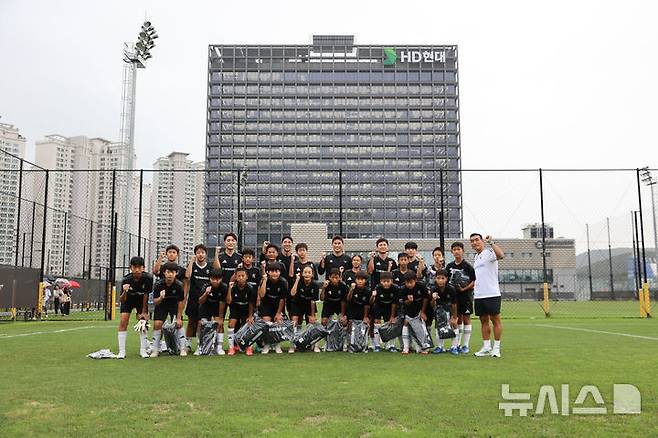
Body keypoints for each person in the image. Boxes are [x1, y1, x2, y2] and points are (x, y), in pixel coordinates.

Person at [469, 233, 504, 358]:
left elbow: (501, 255)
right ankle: (486, 347)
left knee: (495, 320)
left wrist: (491, 242)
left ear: (482, 241)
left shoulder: (489, 253)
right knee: (483, 321)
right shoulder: (476, 257)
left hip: (492, 293)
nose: (474, 242)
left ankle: (496, 348)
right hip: (479, 295)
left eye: (477, 240)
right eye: (472, 241)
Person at [117, 256, 154, 359]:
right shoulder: (126, 279)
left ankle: (143, 351)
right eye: (134, 267)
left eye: (139, 267)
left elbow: (146, 295)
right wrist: (125, 291)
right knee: (123, 321)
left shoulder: (148, 278)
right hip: (128, 300)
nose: (137, 270)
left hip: (141, 300)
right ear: (130, 268)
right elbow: (122, 300)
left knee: (143, 322)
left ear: (143, 268)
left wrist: (144, 312)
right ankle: (122, 351)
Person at [150, 262, 186, 358]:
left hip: (174, 305)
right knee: (157, 324)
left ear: (176, 273)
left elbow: (181, 301)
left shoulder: (179, 285)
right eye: (168, 272)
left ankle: (183, 348)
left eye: (172, 272)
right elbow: (155, 302)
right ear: (164, 273)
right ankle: (155, 349)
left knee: (179, 323)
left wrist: (178, 317)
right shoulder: (158, 284)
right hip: (162, 305)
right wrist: (161, 297)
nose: (170, 274)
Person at [445, 241, 475, 354]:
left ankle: (465, 345)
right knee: (456, 320)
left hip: (466, 296)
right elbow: (445, 280)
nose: (457, 251)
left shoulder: (468, 267)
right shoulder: (449, 266)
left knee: (466, 319)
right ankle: (456, 344)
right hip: (453, 297)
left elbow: (474, 281)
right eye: (454, 249)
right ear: (452, 251)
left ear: (463, 251)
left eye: (459, 249)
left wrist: (465, 288)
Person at [184, 244, 211, 354]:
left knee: (202, 322)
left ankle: (201, 344)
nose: (200, 254)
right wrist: (191, 262)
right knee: (191, 321)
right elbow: (187, 275)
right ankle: (188, 344)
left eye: (202, 252)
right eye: (198, 252)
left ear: (205, 254)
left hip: (205, 299)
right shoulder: (193, 266)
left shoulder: (209, 267)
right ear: (195, 254)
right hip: (193, 298)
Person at [258, 262, 288, 354]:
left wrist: (278, 313)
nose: (274, 273)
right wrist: (264, 281)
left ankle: (277, 345)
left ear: (280, 272)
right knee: (266, 322)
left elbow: (282, 299)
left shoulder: (283, 282)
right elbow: (262, 295)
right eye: (272, 271)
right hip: (266, 305)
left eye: (276, 271)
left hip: (278, 306)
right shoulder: (264, 280)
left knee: (278, 322)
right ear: (268, 272)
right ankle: (267, 344)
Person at [226, 267, 257, 356]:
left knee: (248, 324)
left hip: (246, 309)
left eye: (243, 276)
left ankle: (248, 347)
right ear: (235, 277)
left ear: (246, 277)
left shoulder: (250, 288)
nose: (240, 278)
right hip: (235, 308)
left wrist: (250, 316)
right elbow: (228, 301)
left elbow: (251, 303)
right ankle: (231, 347)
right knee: (231, 324)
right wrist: (229, 289)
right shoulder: (233, 287)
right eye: (238, 276)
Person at [288, 266, 320, 353]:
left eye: (309, 272)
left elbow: (313, 301)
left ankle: (315, 344)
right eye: (305, 272)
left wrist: (313, 315)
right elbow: (292, 293)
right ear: (302, 274)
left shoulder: (315, 285)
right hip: (297, 303)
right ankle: (293, 345)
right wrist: (297, 280)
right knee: (294, 322)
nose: (307, 274)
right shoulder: (298, 281)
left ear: (312, 274)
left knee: (313, 322)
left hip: (309, 305)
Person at [397, 272, 430, 355]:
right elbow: (403, 303)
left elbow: (426, 299)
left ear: (415, 280)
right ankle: (406, 348)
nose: (409, 284)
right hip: (409, 310)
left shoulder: (421, 286)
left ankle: (424, 346)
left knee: (421, 324)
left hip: (421, 309)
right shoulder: (403, 289)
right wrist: (409, 301)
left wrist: (422, 312)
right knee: (406, 323)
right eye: (407, 282)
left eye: (411, 282)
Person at [198, 268, 228, 355]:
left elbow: (222, 302)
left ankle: (219, 347)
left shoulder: (224, 287)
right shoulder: (205, 286)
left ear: (221, 279)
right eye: (213, 279)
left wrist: (220, 317)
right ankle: (200, 346)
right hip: (206, 307)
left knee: (220, 324)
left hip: (217, 308)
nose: (215, 281)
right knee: (201, 323)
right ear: (209, 278)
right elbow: (200, 301)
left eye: (217, 279)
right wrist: (205, 294)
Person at [370, 271, 400, 352]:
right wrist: (373, 296)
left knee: (391, 324)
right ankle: (377, 345)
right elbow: (372, 302)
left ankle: (391, 345)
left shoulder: (395, 288)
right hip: (379, 306)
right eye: (384, 281)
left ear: (392, 281)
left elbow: (394, 303)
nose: (386, 283)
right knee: (377, 323)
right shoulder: (377, 288)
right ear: (380, 281)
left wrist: (392, 316)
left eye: (388, 281)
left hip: (390, 307)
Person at [429, 269, 458, 354]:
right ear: (435, 279)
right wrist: (433, 299)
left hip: (449, 309)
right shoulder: (434, 289)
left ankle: (454, 347)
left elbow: (454, 304)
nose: (440, 280)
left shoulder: (451, 288)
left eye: (442, 278)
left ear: (446, 279)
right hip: (439, 310)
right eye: (438, 278)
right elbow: (432, 305)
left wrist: (454, 317)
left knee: (454, 326)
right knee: (438, 327)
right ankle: (440, 346)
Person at [320, 268, 348, 349]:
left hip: (339, 305)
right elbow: (322, 298)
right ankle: (326, 342)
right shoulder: (327, 285)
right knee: (324, 322)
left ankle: (344, 342)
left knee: (344, 322)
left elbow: (343, 301)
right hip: (328, 305)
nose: (335, 279)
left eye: (336, 277)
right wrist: (323, 288)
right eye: (333, 277)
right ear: (329, 277)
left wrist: (342, 314)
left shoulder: (343, 286)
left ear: (339, 277)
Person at [346, 271, 371, 351]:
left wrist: (365, 316)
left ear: (365, 281)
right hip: (352, 309)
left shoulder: (368, 290)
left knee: (364, 324)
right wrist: (351, 290)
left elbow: (367, 305)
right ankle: (349, 343)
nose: (360, 281)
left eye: (362, 279)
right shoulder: (352, 288)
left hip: (362, 310)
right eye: (358, 279)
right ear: (355, 280)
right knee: (350, 324)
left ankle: (364, 344)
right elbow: (348, 299)